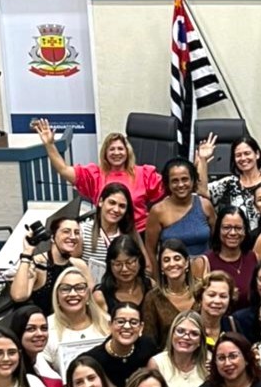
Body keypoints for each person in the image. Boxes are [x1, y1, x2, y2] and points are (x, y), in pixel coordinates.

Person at [34, 120, 165, 232]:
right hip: (105, 236)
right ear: (105, 154)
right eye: (112, 149)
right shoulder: (94, 175)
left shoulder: (144, 174)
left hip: (139, 234)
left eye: (120, 149)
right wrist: (49, 144)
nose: (116, 153)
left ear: (127, 152)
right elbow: (63, 169)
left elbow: (170, 191)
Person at [10, 214, 93, 315]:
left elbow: (92, 298)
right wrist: (27, 252)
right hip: (45, 326)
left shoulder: (79, 265)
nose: (73, 237)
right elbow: (19, 296)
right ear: (53, 237)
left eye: (76, 233)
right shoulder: (37, 264)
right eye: (66, 232)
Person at [144, 157, 217, 263]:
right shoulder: (158, 211)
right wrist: (156, 278)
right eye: (175, 181)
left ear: (192, 180)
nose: (181, 185)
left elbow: (217, 241)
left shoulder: (205, 205)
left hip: (204, 273)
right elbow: (150, 250)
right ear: (167, 183)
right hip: (172, 273)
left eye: (185, 179)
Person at [42, 267, 111, 375]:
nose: (73, 294)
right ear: (57, 295)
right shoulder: (45, 328)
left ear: (88, 294)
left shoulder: (107, 322)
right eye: (65, 289)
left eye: (79, 288)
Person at [142, 238, 202, 346]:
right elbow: (149, 341)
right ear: (161, 267)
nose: (172, 263)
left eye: (177, 258)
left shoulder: (202, 291)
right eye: (166, 260)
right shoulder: (153, 298)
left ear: (187, 263)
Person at [79, 183, 142, 285]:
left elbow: (146, 267)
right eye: (112, 203)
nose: (116, 209)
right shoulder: (83, 230)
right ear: (100, 202)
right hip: (90, 293)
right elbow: (71, 263)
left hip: (120, 292)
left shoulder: (130, 233)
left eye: (122, 206)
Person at [88, 302, 155, 387]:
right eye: (120, 321)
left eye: (134, 322)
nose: (127, 326)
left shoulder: (148, 347)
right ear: (110, 325)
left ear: (141, 327)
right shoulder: (93, 359)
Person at [148, 310, 207, 387]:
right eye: (180, 331)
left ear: (200, 341)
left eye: (194, 333)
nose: (186, 337)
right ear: (172, 334)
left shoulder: (209, 363)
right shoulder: (156, 363)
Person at [10, 304, 64, 387]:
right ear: (18, 331)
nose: (40, 334)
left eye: (44, 328)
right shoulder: (11, 369)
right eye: (30, 329)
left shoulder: (39, 358)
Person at [204, 206, 257, 308]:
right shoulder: (205, 261)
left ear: (245, 230)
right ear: (218, 230)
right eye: (227, 227)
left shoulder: (254, 257)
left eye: (238, 228)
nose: (232, 233)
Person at [92, 235, 154, 314]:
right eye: (118, 264)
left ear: (139, 261)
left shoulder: (150, 285)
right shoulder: (100, 296)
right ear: (109, 265)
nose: (124, 269)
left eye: (129, 263)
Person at [195, 271, 235, 348]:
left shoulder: (232, 324)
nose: (217, 301)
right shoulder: (189, 324)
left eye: (223, 296)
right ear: (200, 298)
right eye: (211, 295)